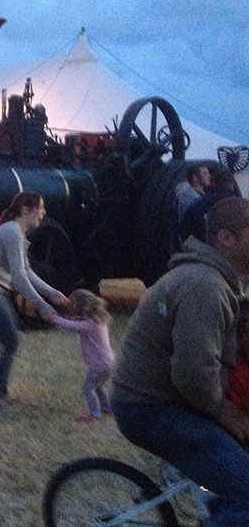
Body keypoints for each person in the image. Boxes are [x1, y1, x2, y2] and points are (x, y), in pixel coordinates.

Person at [112, 197, 249, 525]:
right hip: (150, 409)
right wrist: (230, 416)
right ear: (226, 239)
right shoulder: (205, 287)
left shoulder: (211, 279)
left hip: (161, 402)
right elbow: (193, 375)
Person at [0, 192, 67, 412]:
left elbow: (26, 271)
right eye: (40, 208)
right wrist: (42, 305)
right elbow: (19, 278)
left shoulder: (15, 231)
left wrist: (52, 293)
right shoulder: (12, 232)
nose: (44, 212)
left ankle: (0, 394)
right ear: (25, 210)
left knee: (12, 338)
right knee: (11, 340)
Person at [50, 289, 115, 422]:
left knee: (88, 388)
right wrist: (63, 305)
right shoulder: (98, 320)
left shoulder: (89, 325)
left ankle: (95, 414)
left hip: (99, 365)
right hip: (109, 363)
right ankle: (107, 408)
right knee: (98, 386)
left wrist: (54, 318)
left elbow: (70, 325)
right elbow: (74, 322)